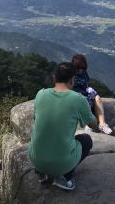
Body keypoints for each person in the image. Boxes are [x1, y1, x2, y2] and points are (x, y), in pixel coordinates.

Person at [28, 62, 97, 191]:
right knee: (86, 140)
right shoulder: (78, 99)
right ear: (73, 80)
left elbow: (37, 120)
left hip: (35, 159)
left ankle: (41, 173)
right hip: (61, 164)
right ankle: (65, 177)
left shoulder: (40, 94)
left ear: (54, 78)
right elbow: (94, 124)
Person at [71, 54, 113, 135]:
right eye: (79, 68)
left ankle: (102, 124)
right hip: (76, 95)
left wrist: (89, 90)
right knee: (86, 102)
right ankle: (88, 124)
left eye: (82, 68)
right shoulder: (71, 74)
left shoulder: (84, 73)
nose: (81, 70)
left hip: (84, 92)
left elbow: (86, 83)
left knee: (97, 98)